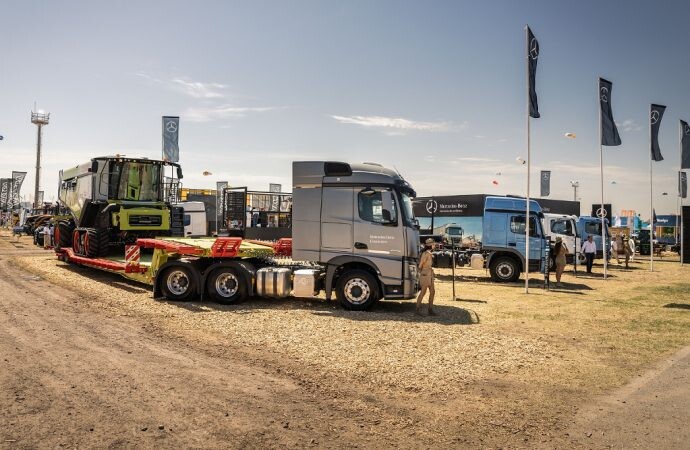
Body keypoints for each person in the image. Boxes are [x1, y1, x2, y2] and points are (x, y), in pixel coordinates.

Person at [416, 238, 436, 316]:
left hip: (430, 274)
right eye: (433, 244)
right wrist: (420, 273)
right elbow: (420, 265)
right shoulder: (426, 253)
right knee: (423, 292)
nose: (434, 245)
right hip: (425, 273)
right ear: (430, 245)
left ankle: (430, 309)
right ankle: (417, 309)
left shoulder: (429, 253)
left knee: (432, 292)